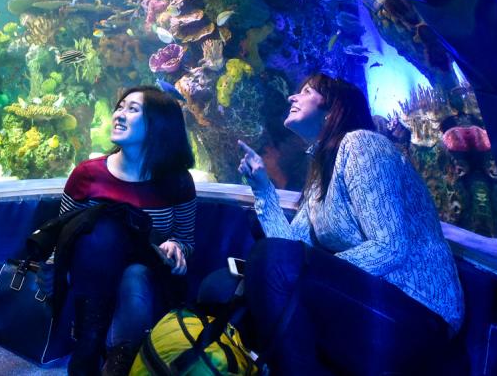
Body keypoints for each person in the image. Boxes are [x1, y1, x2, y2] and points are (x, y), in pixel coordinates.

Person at [235, 73, 464, 375]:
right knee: (242, 275)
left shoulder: (361, 145)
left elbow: (390, 247)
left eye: (305, 92)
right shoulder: (320, 174)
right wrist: (262, 186)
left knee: (274, 262)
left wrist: (312, 270)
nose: (292, 97)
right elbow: (287, 248)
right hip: (374, 300)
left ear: (333, 108)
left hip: (421, 313)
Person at [58, 85, 196, 375]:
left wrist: (176, 248)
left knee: (134, 274)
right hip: (90, 283)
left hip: (148, 283)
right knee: (106, 229)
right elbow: (64, 236)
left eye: (132, 109)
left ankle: (122, 358)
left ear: (159, 125)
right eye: (119, 107)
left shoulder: (178, 182)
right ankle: (91, 340)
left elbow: (186, 240)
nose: (119, 115)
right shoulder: (87, 174)